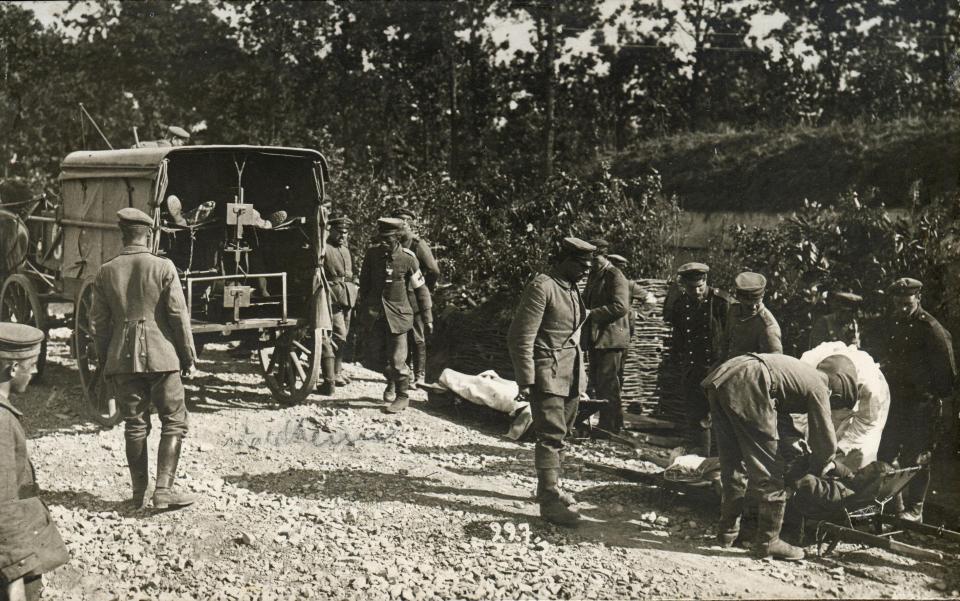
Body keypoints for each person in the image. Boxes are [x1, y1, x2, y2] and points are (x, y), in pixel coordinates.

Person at [89, 208, 198, 510]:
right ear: (148, 235)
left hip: (122, 360)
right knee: (174, 421)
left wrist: (105, 361)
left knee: (134, 426)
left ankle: (139, 494)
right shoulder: (163, 266)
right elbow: (178, 316)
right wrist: (187, 356)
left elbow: (97, 324)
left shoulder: (105, 271)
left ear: (123, 234)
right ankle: (163, 490)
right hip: (162, 357)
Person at [703, 353, 857, 560]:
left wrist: (793, 441)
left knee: (733, 462)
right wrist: (819, 466)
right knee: (771, 469)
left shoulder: (799, 375)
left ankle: (727, 533)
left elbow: (777, 416)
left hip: (724, 376)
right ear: (836, 394)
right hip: (751, 381)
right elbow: (825, 440)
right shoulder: (820, 386)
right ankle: (769, 542)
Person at [507, 237, 595, 527]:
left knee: (562, 434)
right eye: (581, 264)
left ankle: (551, 487)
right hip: (546, 372)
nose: (586, 270)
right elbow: (521, 336)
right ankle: (548, 502)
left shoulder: (571, 288)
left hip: (570, 374)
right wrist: (526, 379)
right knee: (551, 436)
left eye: (589, 265)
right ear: (565, 260)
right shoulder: (542, 286)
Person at [875, 277, 956, 522]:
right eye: (898, 304)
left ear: (918, 299)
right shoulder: (891, 323)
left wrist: (939, 402)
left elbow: (947, 371)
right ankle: (892, 505)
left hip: (921, 403)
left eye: (907, 304)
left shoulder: (930, 328)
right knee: (886, 452)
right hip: (894, 400)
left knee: (917, 455)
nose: (902, 309)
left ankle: (915, 509)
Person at [0, 323, 69, 601]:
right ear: (13, 368)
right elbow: (3, 504)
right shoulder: (2, 421)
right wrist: (16, 574)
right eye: (32, 364)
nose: (36, 371)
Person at [357, 217, 433, 413]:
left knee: (398, 359)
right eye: (381, 238)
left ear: (398, 238)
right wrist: (364, 309)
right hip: (375, 315)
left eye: (388, 239)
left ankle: (402, 395)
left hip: (399, 316)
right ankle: (390, 380)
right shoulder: (372, 255)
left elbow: (421, 289)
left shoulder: (408, 258)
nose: (383, 243)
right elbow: (364, 284)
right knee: (378, 356)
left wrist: (427, 316)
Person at [798, 341, 890, 471]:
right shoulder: (805, 369)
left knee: (860, 456)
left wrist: (840, 450)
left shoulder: (872, 387)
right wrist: (801, 438)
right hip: (817, 388)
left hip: (868, 406)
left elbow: (866, 423)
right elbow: (797, 411)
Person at [667, 262, 729, 455]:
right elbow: (679, 337)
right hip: (693, 369)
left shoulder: (721, 302)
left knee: (721, 416)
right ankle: (700, 460)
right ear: (684, 285)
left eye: (700, 287)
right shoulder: (681, 304)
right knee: (697, 416)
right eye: (691, 288)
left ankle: (721, 461)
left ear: (706, 281)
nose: (696, 292)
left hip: (718, 369)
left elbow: (731, 338)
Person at [583, 239, 631, 435]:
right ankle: (612, 424)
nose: (591, 263)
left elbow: (621, 306)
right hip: (598, 338)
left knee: (608, 382)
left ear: (604, 256)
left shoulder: (615, 275)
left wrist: (592, 313)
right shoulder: (596, 275)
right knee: (600, 381)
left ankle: (610, 426)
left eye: (595, 259)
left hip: (611, 338)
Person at [393, 207, 440, 386]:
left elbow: (434, 270)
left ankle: (419, 375)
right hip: (397, 297)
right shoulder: (394, 244)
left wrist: (425, 287)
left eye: (403, 223)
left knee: (417, 336)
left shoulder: (418, 244)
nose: (400, 227)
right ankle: (403, 371)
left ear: (409, 224)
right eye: (397, 223)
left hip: (414, 297)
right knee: (399, 334)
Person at [318, 213, 357, 395]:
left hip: (348, 296)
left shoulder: (346, 249)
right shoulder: (324, 248)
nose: (343, 236)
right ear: (330, 230)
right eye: (339, 232)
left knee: (344, 336)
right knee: (339, 335)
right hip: (332, 296)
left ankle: (337, 371)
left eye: (346, 232)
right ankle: (331, 375)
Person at [721, 271, 782, 360]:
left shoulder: (768, 327)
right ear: (739, 298)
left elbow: (774, 363)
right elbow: (726, 344)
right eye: (748, 305)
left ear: (762, 295)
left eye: (757, 303)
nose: (753, 307)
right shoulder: (734, 311)